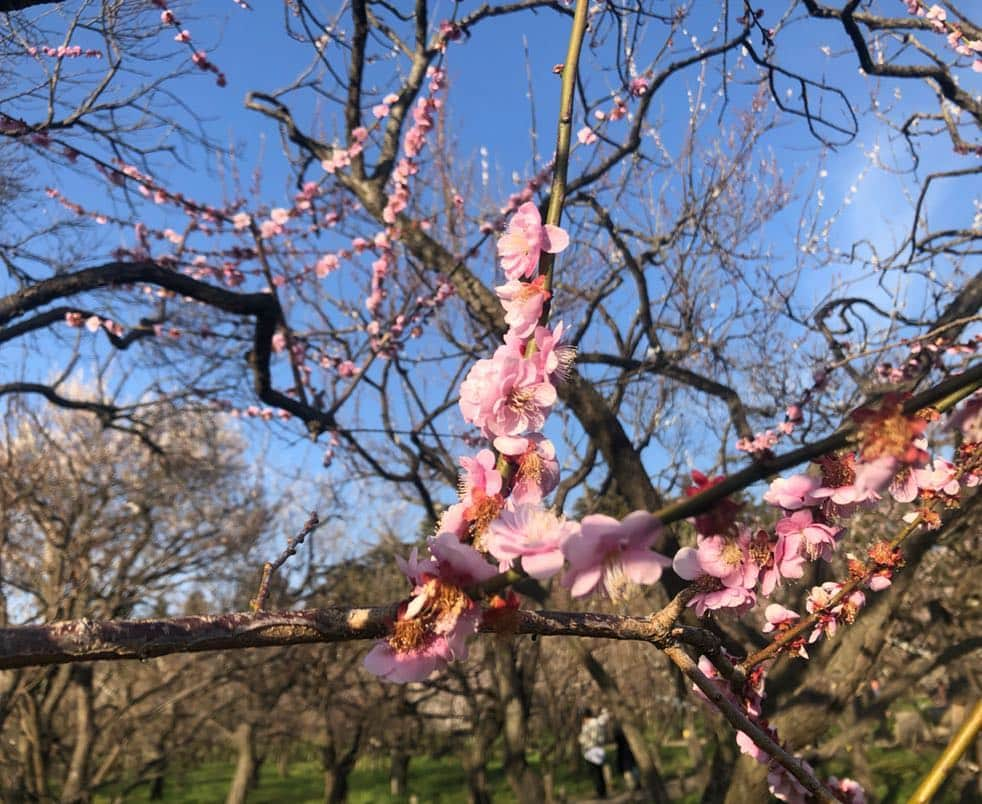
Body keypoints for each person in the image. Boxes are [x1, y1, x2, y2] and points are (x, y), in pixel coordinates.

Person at [578, 707, 610, 798]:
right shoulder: (586, 724)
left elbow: (594, 737)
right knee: (595, 772)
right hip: (590, 751)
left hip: (594, 750)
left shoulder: (593, 723)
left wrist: (584, 739)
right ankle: (600, 791)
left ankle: (601, 792)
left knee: (597, 772)